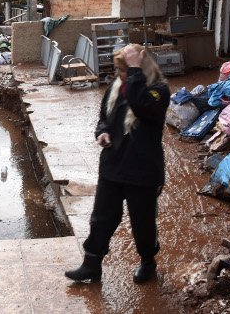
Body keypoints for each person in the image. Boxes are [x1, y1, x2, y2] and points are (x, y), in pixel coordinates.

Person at [65, 43, 170, 284]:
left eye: (124, 70)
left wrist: (133, 72)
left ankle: (147, 261)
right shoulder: (117, 86)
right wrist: (102, 132)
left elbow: (142, 107)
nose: (119, 75)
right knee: (101, 218)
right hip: (113, 164)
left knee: (142, 221)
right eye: (119, 70)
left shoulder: (158, 90)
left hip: (142, 169)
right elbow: (104, 117)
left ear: (141, 68)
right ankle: (91, 264)